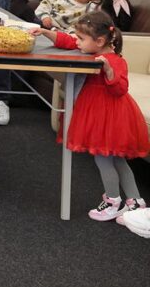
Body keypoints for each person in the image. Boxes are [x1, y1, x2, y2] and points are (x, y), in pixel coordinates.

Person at [35, 12, 149, 221]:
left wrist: (108, 71)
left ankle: (114, 201)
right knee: (117, 161)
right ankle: (135, 201)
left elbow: (120, 89)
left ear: (100, 41)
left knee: (105, 160)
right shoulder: (91, 47)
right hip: (100, 114)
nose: (77, 42)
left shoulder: (115, 61)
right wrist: (44, 32)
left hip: (108, 118)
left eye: (81, 39)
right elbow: (67, 41)